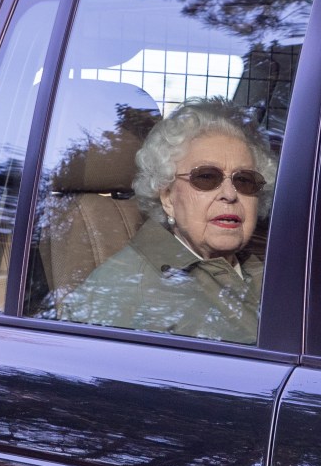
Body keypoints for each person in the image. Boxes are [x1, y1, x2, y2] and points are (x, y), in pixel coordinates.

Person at [60, 97, 276, 343]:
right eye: (206, 177)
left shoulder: (271, 271)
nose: (229, 194)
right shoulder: (122, 292)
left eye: (244, 180)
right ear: (167, 197)